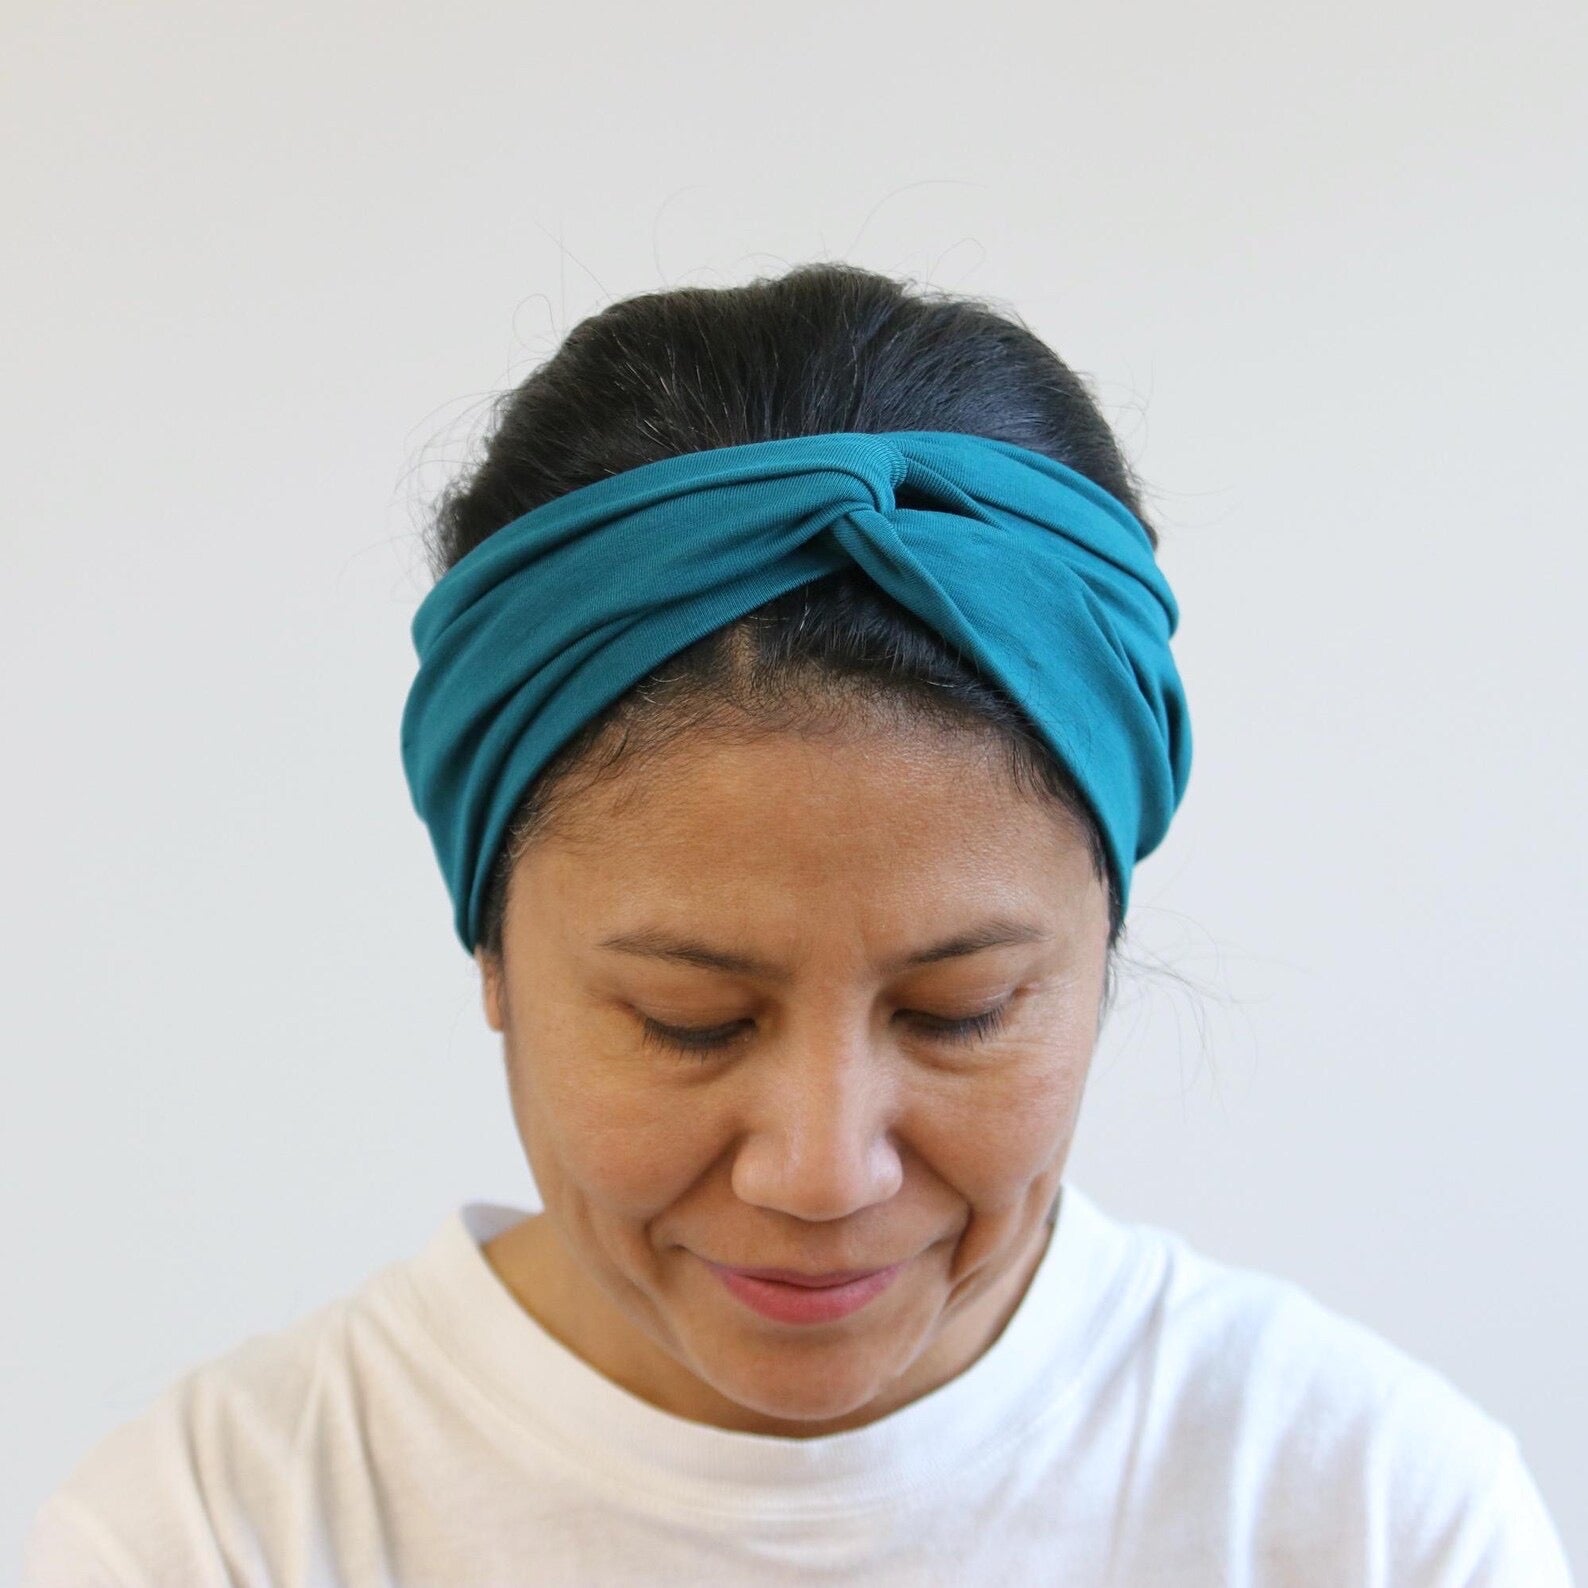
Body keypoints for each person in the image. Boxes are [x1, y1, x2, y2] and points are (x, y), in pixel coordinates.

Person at [21, 262, 1573, 1586]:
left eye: (960, 1010)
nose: (825, 1172)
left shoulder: (1367, 1523)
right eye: (692, 1021)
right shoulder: (219, 1537)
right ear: (492, 952)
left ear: (1100, 950)